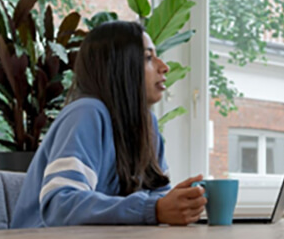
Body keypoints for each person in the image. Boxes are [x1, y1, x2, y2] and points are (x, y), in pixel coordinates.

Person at [11, 21, 206, 228]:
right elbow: (61, 205)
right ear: (120, 68)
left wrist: (178, 206)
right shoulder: (86, 113)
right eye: (148, 58)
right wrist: (153, 209)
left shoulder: (147, 125)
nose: (164, 67)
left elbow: (157, 197)